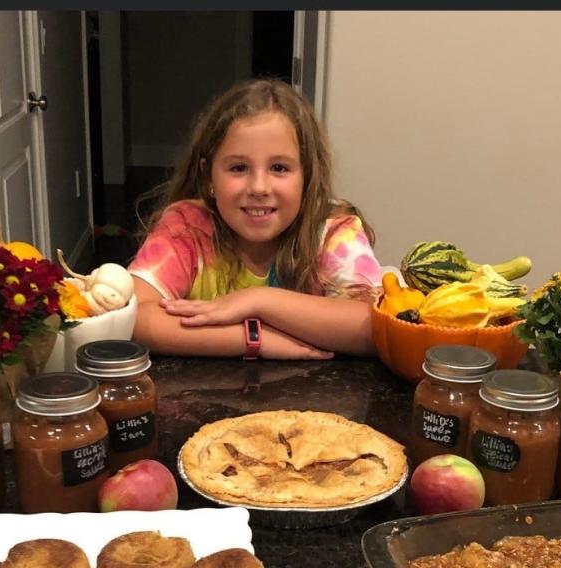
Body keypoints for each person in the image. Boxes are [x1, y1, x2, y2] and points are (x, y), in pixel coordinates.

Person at [127, 78, 384, 360]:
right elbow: (135, 316)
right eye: (238, 167)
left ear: (307, 175)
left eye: (279, 167)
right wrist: (252, 339)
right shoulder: (186, 227)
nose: (259, 187)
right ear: (208, 175)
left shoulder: (334, 229)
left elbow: (375, 326)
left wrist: (259, 301)